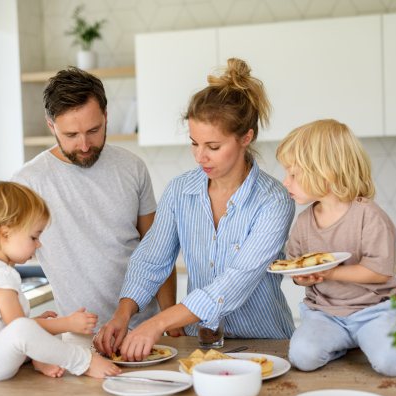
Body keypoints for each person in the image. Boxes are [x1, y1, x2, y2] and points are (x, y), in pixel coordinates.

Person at [0, 67, 179, 365]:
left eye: (93, 130)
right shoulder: (28, 181)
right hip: (77, 336)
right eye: (71, 135)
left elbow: (158, 250)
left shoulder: (133, 167)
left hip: (145, 330)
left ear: (105, 117)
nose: (84, 145)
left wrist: (168, 320)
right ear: (51, 126)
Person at [94, 58, 296, 361]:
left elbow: (235, 282)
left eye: (213, 147)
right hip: (202, 346)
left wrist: (157, 323)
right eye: (194, 143)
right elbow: (152, 261)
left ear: (246, 138)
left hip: (268, 345)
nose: (200, 157)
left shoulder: (274, 201)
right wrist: (122, 315)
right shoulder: (180, 192)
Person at [0, 181, 121, 381]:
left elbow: (4, 327)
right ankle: (84, 362)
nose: (39, 243)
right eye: (34, 237)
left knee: (38, 329)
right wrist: (67, 323)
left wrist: (40, 325)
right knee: (28, 329)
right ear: (4, 234)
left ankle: (39, 358)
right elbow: (19, 329)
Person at [276, 119, 396, 377]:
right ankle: (347, 342)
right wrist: (302, 278)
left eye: (293, 173)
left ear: (326, 172)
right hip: (325, 314)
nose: (285, 181)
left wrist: (329, 273)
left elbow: (379, 273)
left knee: (394, 363)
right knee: (302, 357)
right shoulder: (302, 222)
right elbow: (296, 269)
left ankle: (382, 333)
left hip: (373, 311)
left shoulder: (369, 215)